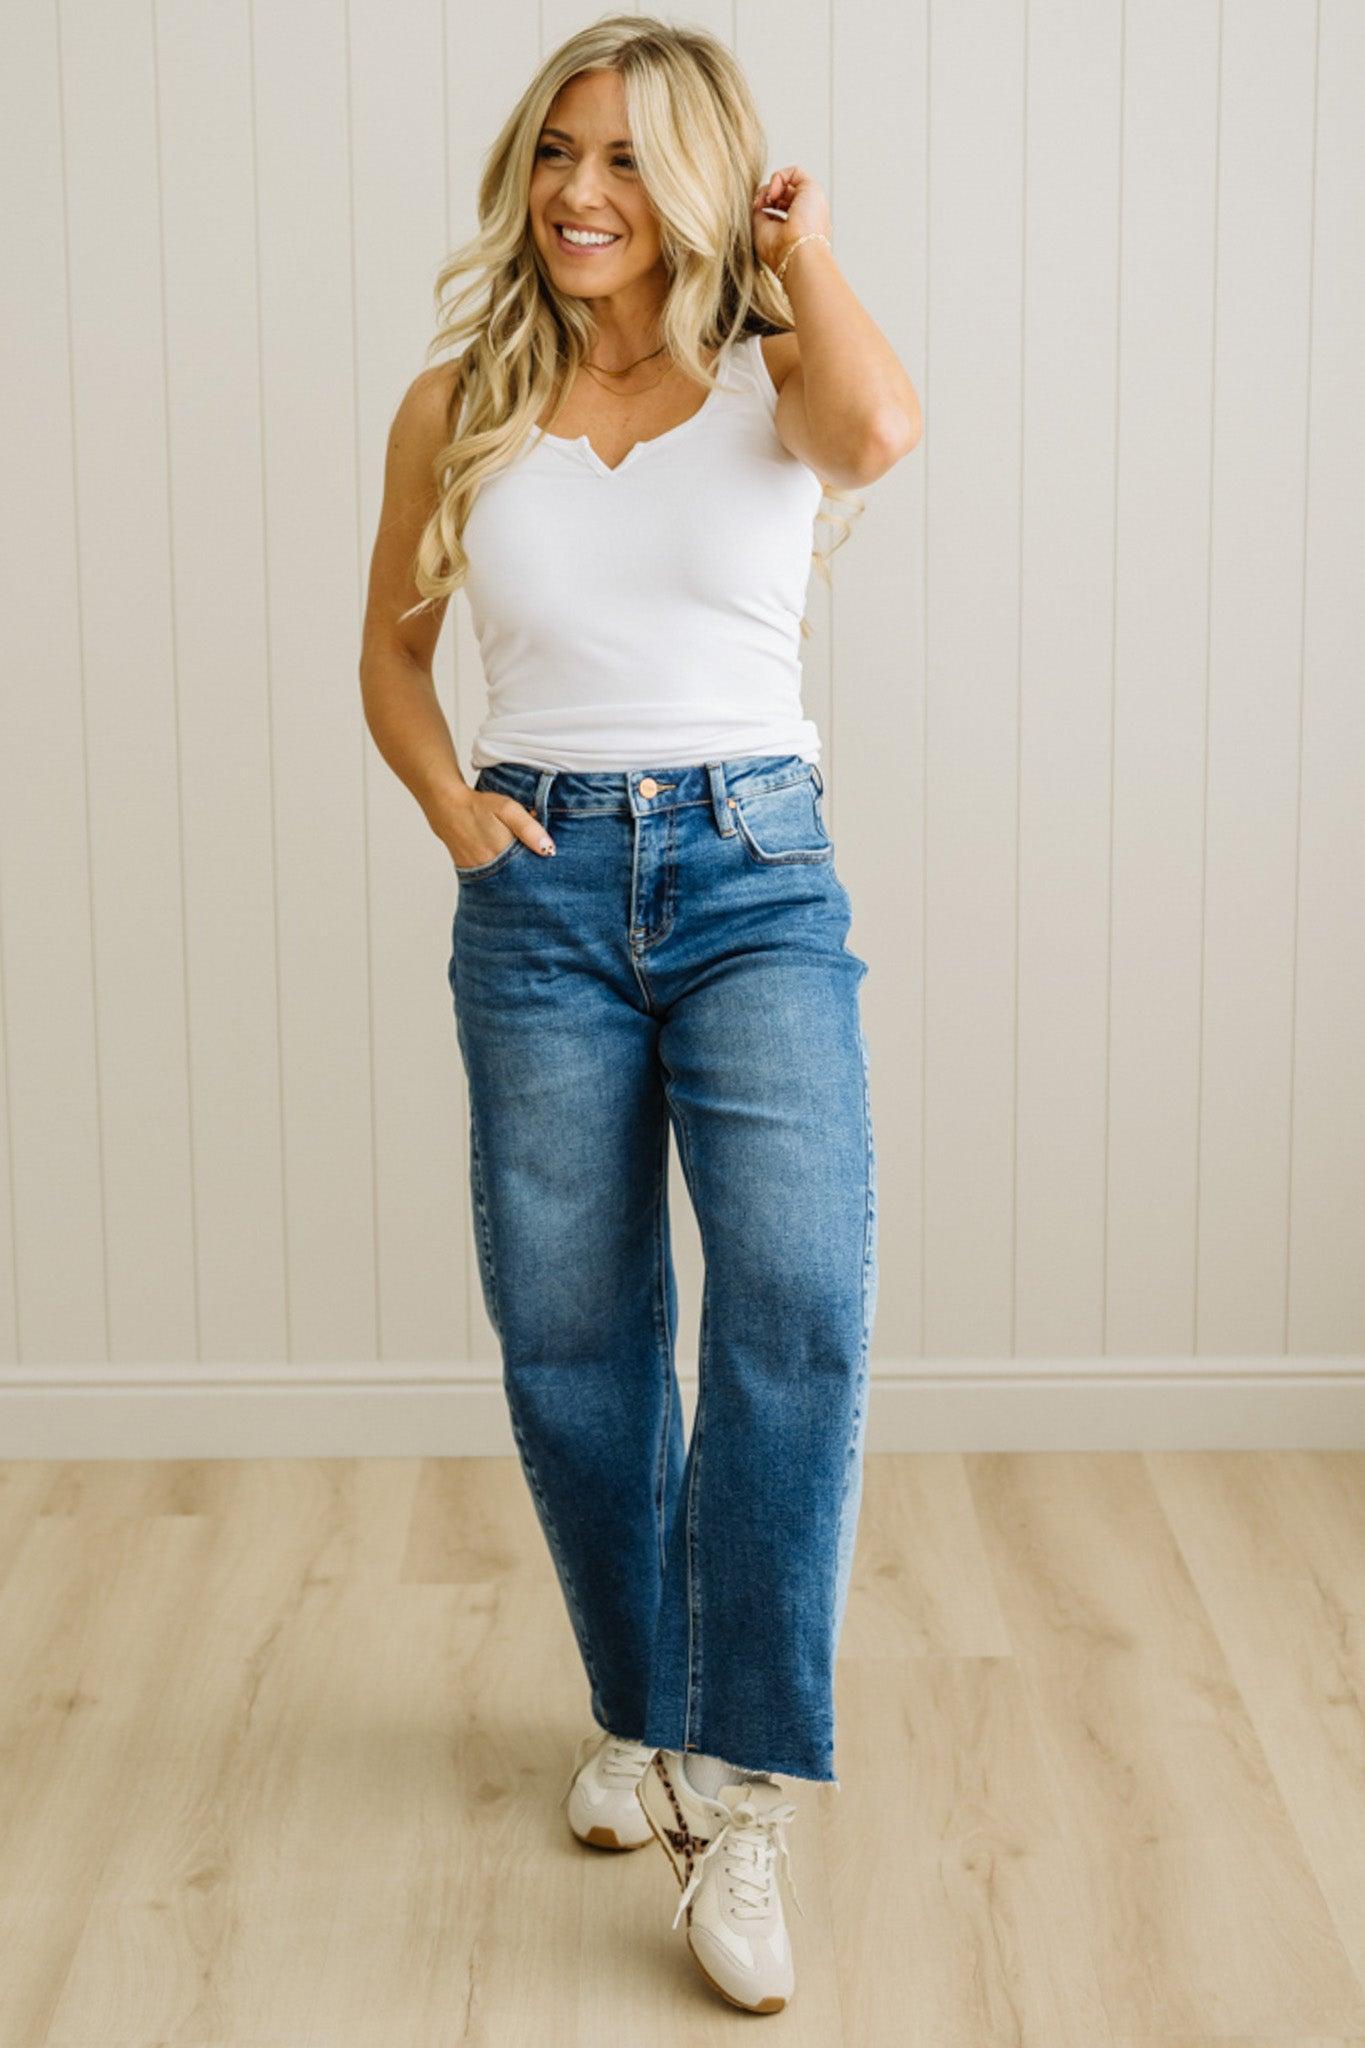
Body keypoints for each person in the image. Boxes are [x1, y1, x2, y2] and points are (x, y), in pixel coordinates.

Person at [359, 16, 921, 2017]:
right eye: (553, 152)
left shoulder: (774, 382)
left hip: (754, 875)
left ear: (691, 184)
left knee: (794, 1306)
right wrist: (452, 812)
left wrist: (799, 251)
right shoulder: (460, 407)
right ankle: (640, 1704)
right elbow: (391, 658)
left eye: (619, 156)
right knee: (577, 1334)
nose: (578, 188)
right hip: (540, 898)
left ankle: (737, 1792)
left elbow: (880, 438)